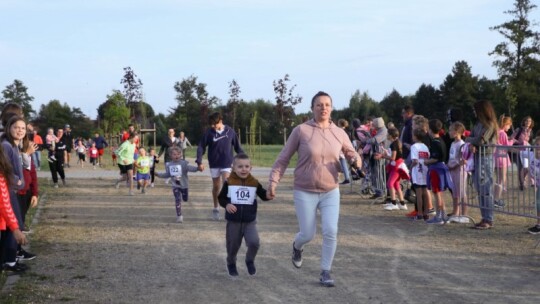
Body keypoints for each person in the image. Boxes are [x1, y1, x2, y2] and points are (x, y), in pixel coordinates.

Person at [268, 91, 361, 287]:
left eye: (327, 104)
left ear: (332, 108)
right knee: (307, 234)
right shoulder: (301, 130)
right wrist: (273, 182)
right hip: (304, 189)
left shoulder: (339, 132)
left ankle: (325, 271)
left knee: (330, 231)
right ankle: (297, 246)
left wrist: (355, 160)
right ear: (312, 108)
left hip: (330, 190)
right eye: (319, 105)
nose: (323, 108)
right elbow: (283, 158)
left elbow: (352, 153)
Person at [218, 153, 271, 276]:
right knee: (233, 245)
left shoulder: (254, 183)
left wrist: (269, 194)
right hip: (233, 221)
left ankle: (250, 260)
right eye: (240, 166)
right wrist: (227, 205)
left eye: (247, 166)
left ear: (251, 168)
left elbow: (263, 195)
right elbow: (221, 198)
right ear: (234, 168)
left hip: (249, 221)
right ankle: (231, 263)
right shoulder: (229, 182)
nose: (244, 169)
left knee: (254, 242)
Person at [196, 112, 244, 221]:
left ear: (220, 121)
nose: (213, 126)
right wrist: (199, 161)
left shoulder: (230, 131)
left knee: (227, 184)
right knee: (216, 187)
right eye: (211, 124)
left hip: (227, 163)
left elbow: (238, 147)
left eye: (214, 124)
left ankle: (230, 210)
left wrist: (245, 159)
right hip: (214, 163)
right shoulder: (209, 133)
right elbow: (201, 147)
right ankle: (216, 208)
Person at [0, 115, 29, 273]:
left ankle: (9, 259)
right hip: (8, 190)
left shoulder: (15, 146)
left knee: (11, 224)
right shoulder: (6, 145)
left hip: (11, 189)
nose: (20, 130)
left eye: (23, 128)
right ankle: (9, 260)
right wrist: (16, 180)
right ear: (9, 128)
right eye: (16, 127)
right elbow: (6, 168)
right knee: (13, 223)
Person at [466, 100, 498, 230]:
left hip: (486, 158)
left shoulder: (490, 124)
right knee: (480, 189)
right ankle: (484, 217)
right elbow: (472, 138)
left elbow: (480, 140)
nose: (474, 112)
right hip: (477, 157)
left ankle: (489, 219)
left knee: (486, 189)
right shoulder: (478, 124)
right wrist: (472, 141)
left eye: (475, 110)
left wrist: (471, 141)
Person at [156, 147, 199, 223]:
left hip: (184, 185)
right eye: (174, 154)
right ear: (170, 155)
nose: (176, 156)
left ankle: (184, 197)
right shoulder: (169, 165)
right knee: (177, 199)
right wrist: (158, 174)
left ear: (181, 155)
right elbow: (167, 174)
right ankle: (179, 216)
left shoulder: (184, 163)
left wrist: (198, 168)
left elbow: (190, 168)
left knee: (185, 199)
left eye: (178, 154)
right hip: (176, 186)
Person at [425, 119, 453, 225]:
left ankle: (439, 217)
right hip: (440, 168)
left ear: (430, 130)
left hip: (436, 169)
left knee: (437, 193)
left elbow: (435, 158)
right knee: (440, 193)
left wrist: (426, 161)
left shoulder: (436, 142)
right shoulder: (441, 140)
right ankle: (443, 215)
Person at [446, 122, 470, 224]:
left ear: (456, 132)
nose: (449, 132)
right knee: (455, 192)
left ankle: (464, 215)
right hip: (452, 170)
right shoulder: (452, 143)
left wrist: (455, 165)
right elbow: (452, 157)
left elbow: (464, 160)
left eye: (451, 130)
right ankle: (456, 213)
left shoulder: (462, 144)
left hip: (460, 170)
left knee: (461, 192)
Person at [382, 128, 409, 211]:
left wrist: (383, 156)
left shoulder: (393, 144)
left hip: (396, 166)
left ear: (391, 135)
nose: (386, 135)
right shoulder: (398, 142)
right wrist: (387, 153)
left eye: (387, 134)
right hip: (399, 164)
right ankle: (402, 203)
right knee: (396, 185)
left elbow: (393, 158)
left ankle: (393, 203)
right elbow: (396, 155)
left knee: (390, 183)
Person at [410, 129, 430, 221]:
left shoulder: (414, 146)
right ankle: (426, 212)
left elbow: (415, 160)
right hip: (425, 170)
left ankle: (420, 213)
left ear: (416, 136)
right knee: (425, 193)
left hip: (417, 171)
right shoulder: (425, 147)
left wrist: (410, 168)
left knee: (419, 193)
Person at [494, 116, 514, 208]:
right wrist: (512, 141)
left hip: (496, 158)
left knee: (498, 179)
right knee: (501, 179)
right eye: (509, 125)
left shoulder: (496, 132)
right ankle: (497, 199)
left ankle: (496, 198)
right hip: (502, 158)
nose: (509, 127)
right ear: (505, 124)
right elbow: (507, 146)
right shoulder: (503, 133)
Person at [510, 116, 535, 190]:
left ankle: (523, 180)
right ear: (524, 122)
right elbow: (511, 138)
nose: (528, 122)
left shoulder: (531, 131)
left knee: (527, 168)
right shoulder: (519, 129)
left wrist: (527, 144)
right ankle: (522, 184)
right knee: (521, 167)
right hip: (518, 151)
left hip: (526, 151)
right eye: (526, 121)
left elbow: (530, 141)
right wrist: (520, 142)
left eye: (530, 121)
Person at [368, 117, 388, 199]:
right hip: (377, 155)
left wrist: (366, 140)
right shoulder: (381, 130)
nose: (373, 125)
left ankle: (381, 191)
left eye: (374, 124)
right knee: (376, 174)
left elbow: (374, 140)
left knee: (379, 174)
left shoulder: (383, 131)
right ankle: (378, 191)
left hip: (380, 156)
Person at [526, 136, 540, 234]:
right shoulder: (533, 157)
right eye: (537, 145)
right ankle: (538, 225)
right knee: (539, 205)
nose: (538, 148)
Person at [337, 119, 352, 184]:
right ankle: (347, 177)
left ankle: (343, 178)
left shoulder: (339, 131)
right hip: (343, 150)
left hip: (340, 149)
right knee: (344, 164)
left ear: (340, 124)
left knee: (339, 165)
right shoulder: (346, 131)